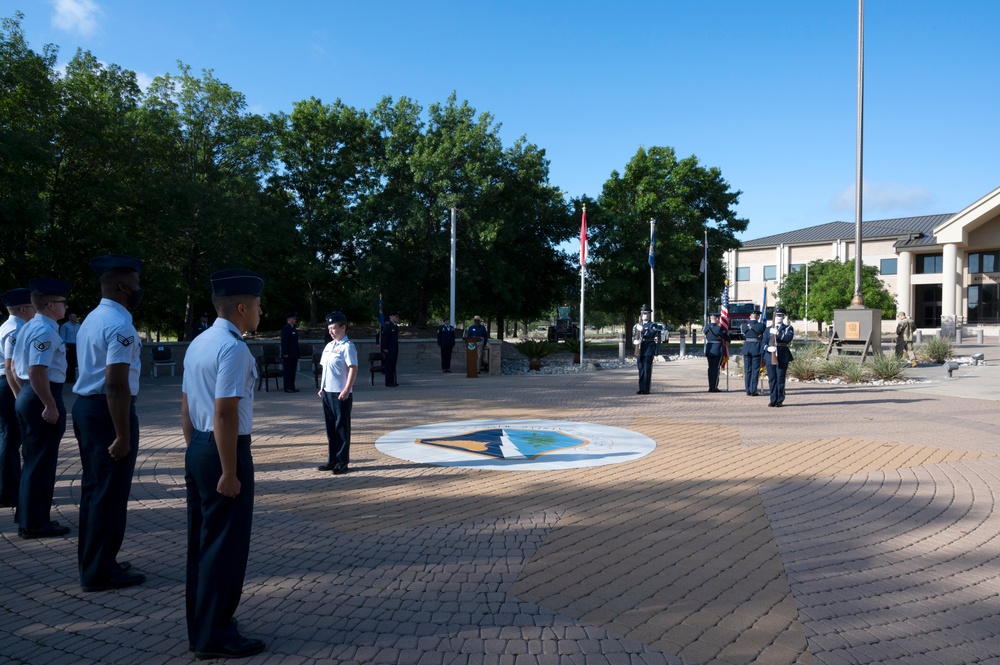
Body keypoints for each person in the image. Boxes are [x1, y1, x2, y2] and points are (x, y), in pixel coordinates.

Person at [181, 269, 266, 660]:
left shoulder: (199, 342)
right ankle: (216, 634)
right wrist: (229, 471)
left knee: (203, 542)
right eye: (259, 306)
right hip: (224, 450)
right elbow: (226, 413)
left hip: (200, 445)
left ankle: (202, 625)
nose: (261, 312)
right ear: (242, 308)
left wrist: (195, 449)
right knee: (225, 548)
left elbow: (186, 405)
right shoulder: (233, 348)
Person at [72, 255, 146, 592]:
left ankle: (97, 560)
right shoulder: (120, 325)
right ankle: (100, 571)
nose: (139, 288)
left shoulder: (92, 318)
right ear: (122, 286)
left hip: (89, 409)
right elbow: (116, 384)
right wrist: (122, 434)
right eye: (136, 283)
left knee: (95, 491)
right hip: (108, 411)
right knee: (109, 494)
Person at [14, 278, 72, 538]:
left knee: (33, 461)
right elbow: (36, 370)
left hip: (30, 394)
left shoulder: (30, 326)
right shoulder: (45, 331)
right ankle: (37, 523)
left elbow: (16, 369)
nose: (65, 306)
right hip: (42, 395)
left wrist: (22, 396)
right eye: (62, 303)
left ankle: (29, 519)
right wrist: (49, 404)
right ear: (51, 305)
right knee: (41, 463)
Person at [0, 288, 34, 509]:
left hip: (6, 384)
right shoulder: (15, 329)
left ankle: (9, 488)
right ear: (23, 309)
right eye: (32, 306)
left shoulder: (8, 325)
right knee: (10, 439)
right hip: (9, 386)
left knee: (8, 438)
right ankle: (8, 492)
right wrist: (20, 396)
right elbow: (12, 367)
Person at [316, 311, 358, 475]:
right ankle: (332, 460)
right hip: (327, 393)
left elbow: (353, 368)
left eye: (333, 328)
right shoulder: (329, 346)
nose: (330, 331)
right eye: (329, 328)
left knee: (341, 428)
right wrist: (322, 387)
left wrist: (347, 389)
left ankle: (342, 462)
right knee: (330, 428)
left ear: (343, 327)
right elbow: (325, 369)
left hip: (340, 394)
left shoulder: (348, 347)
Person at [764, 307, 795, 407]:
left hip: (782, 354)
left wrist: (777, 333)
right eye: (776, 316)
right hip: (770, 355)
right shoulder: (768, 329)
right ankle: (773, 399)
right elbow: (762, 342)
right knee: (772, 378)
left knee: (780, 378)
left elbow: (788, 338)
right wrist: (767, 348)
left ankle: (779, 400)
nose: (778, 318)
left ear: (783, 317)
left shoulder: (787, 328)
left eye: (780, 316)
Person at [632, 304, 660, 395]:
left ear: (649, 315)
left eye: (646, 313)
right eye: (643, 313)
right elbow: (634, 335)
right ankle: (641, 388)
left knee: (647, 369)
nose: (645, 315)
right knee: (641, 369)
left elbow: (652, 334)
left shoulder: (653, 325)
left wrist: (643, 330)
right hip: (640, 349)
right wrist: (635, 341)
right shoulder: (637, 325)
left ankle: (646, 389)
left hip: (648, 349)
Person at [741, 308, 765, 396]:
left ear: (750, 316)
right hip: (756, 348)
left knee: (747, 370)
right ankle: (753, 390)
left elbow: (743, 336)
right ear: (758, 317)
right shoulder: (761, 325)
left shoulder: (743, 326)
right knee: (755, 370)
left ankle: (747, 390)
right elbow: (764, 337)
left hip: (747, 347)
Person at [703, 313, 729, 392]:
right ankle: (714, 387)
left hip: (709, 348)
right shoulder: (719, 328)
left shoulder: (705, 328)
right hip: (717, 349)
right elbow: (727, 337)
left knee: (710, 368)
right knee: (716, 368)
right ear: (717, 319)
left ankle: (711, 386)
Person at [280, 312, 300, 393]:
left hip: (294, 354)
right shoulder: (286, 329)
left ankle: (292, 386)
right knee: (288, 371)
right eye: (293, 318)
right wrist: (285, 353)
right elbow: (284, 342)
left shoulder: (293, 328)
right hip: (288, 354)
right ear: (289, 319)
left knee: (292, 371)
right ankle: (287, 387)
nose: (295, 320)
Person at [60, 312, 81, 383]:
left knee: (74, 362)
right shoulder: (65, 326)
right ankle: (67, 378)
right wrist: (64, 346)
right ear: (69, 317)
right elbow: (62, 336)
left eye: (75, 317)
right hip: (68, 345)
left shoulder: (78, 326)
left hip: (76, 345)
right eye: (73, 316)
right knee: (68, 362)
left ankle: (73, 377)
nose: (74, 318)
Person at [381, 311, 399, 387]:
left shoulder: (395, 326)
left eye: (398, 317)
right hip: (389, 349)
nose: (397, 318)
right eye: (396, 316)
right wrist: (384, 348)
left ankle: (392, 381)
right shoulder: (388, 326)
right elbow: (384, 338)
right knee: (388, 366)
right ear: (391, 317)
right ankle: (388, 382)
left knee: (393, 365)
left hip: (394, 349)